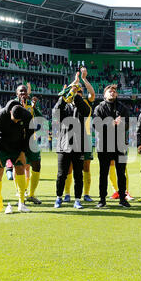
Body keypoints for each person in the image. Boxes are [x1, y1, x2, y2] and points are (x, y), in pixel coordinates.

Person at [0, 100, 34, 214]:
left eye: (19, 120)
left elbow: (29, 135)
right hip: (0, 146)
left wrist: (23, 152)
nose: (17, 121)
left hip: (17, 146)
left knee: (20, 169)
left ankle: (21, 204)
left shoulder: (27, 116)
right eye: (14, 119)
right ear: (10, 112)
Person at [53, 81, 92, 209]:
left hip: (78, 145)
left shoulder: (82, 106)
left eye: (78, 92)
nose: (75, 93)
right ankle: (59, 198)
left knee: (78, 175)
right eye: (74, 91)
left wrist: (76, 96)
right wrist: (64, 97)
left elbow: (86, 112)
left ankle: (77, 200)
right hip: (63, 145)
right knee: (61, 174)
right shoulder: (64, 106)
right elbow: (56, 113)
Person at [93, 84, 131, 208]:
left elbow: (128, 125)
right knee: (103, 173)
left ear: (117, 94)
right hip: (103, 145)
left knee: (121, 173)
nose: (112, 93)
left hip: (120, 145)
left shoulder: (123, 108)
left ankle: (122, 199)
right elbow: (96, 125)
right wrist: (111, 124)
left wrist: (121, 124)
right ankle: (102, 200)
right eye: (110, 91)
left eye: (114, 91)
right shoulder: (99, 108)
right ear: (104, 94)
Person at [63, 67, 96, 203]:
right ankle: (66, 194)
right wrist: (74, 83)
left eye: (81, 91)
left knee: (86, 167)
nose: (79, 92)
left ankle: (86, 194)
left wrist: (83, 79)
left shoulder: (87, 102)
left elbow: (92, 93)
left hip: (86, 138)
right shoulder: (67, 103)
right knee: (69, 167)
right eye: (77, 90)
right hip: (70, 138)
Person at [14, 83, 43, 205]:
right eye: (20, 91)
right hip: (18, 140)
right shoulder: (13, 105)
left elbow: (40, 119)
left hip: (32, 139)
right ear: (17, 94)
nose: (23, 93)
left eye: (24, 92)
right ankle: (20, 192)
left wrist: (34, 107)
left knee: (36, 165)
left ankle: (31, 194)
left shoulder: (31, 106)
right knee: (19, 166)